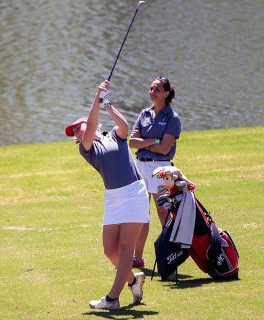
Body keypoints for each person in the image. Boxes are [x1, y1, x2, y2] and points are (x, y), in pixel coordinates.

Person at [64, 80, 149, 310]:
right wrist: (96, 99)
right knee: (109, 250)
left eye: (77, 128)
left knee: (124, 249)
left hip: (133, 192)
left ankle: (112, 299)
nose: (77, 133)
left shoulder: (113, 135)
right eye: (75, 134)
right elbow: (91, 126)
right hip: (113, 197)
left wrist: (107, 105)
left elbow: (124, 126)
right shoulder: (87, 149)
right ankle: (133, 280)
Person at [128, 76, 182, 268]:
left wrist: (146, 142)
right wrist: (154, 141)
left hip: (161, 169)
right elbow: (132, 142)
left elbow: (165, 149)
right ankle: (138, 258)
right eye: (151, 88)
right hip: (140, 167)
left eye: (157, 89)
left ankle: (170, 254)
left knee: (162, 211)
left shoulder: (172, 118)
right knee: (141, 213)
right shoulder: (144, 114)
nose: (152, 92)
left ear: (166, 94)